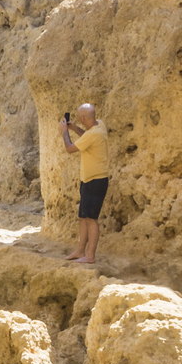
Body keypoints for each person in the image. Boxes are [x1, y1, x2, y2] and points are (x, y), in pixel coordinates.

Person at [58, 103, 109, 263]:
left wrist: (64, 133)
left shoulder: (93, 134)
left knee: (91, 219)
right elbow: (86, 135)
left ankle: (90, 256)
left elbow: (70, 148)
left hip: (96, 180)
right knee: (83, 217)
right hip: (89, 179)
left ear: (84, 118)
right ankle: (80, 251)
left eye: (80, 117)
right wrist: (74, 129)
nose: (79, 119)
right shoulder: (99, 125)